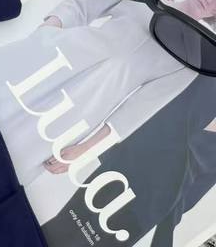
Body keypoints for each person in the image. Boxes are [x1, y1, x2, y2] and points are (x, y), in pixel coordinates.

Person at [0, 0, 216, 188]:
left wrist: (85, 150)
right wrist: (46, 33)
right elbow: (81, 7)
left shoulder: (191, 61)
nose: (210, 0)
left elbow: (138, 110)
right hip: (53, 61)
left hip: (80, 107)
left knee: (4, 160)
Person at [39, 74, 216, 247]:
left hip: (140, 212)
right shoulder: (204, 78)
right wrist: (86, 148)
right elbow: (139, 109)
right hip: (114, 177)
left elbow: (191, 195)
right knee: (58, 230)